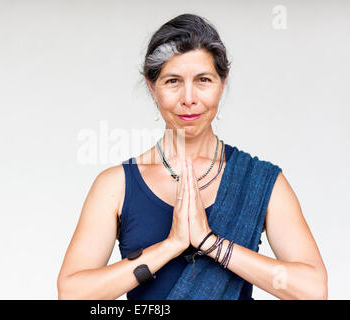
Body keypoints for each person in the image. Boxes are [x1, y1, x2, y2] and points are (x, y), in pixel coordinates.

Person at [57, 13, 328, 300]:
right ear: (152, 88)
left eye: (203, 80)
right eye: (173, 81)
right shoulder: (116, 186)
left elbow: (313, 290)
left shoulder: (260, 181)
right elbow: (73, 294)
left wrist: (211, 243)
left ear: (222, 84)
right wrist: (171, 245)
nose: (189, 98)